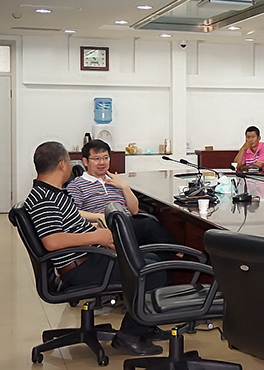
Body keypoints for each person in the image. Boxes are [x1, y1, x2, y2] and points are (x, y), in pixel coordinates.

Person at [24, 142, 165, 356]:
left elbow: (73, 225)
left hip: (88, 257)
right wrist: (96, 237)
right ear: (62, 164)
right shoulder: (44, 198)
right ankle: (129, 336)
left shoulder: (53, 192)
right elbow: (52, 241)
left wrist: (103, 237)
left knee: (152, 259)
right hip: (81, 268)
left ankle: (144, 324)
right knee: (153, 272)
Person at [66, 139, 180, 259]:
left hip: (128, 223)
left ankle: (173, 262)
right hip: (107, 227)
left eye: (106, 158)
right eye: (96, 159)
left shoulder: (115, 180)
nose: (102, 162)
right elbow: (73, 213)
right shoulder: (77, 185)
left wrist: (124, 187)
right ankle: (181, 255)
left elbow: (134, 210)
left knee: (155, 251)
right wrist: (101, 217)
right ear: (85, 161)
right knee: (148, 225)